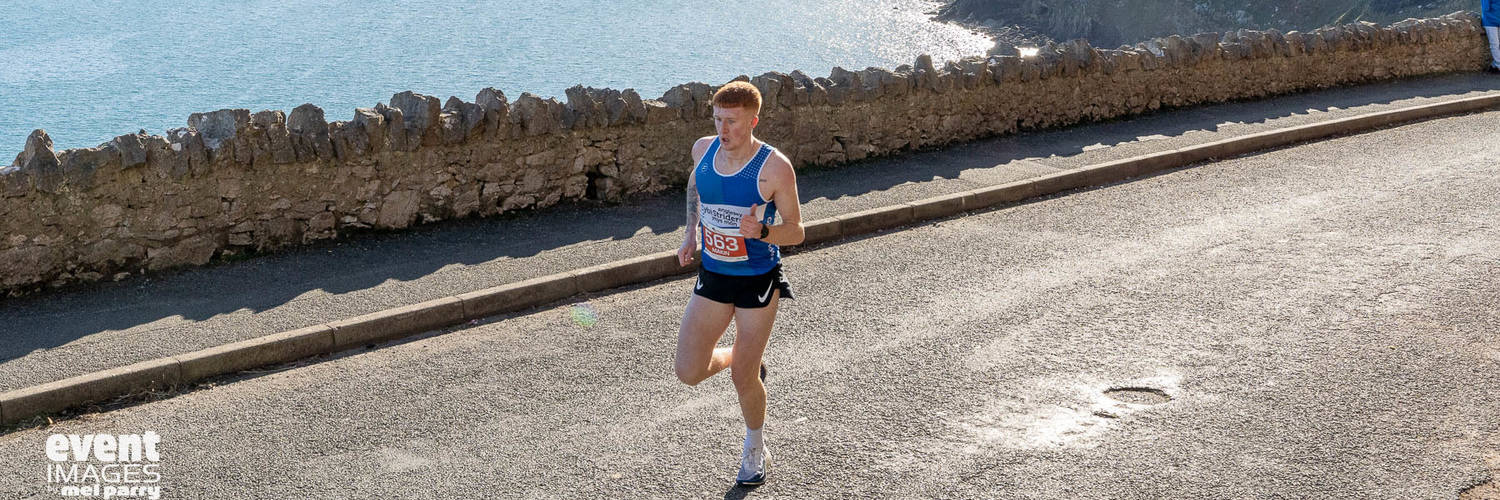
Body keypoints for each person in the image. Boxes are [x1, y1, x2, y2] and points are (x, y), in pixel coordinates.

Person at [673, 80, 804, 487]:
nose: (723, 130)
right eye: (717, 119)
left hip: (756, 282)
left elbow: (797, 231)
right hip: (713, 275)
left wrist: (763, 232)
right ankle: (736, 354)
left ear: (753, 120)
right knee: (688, 371)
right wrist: (691, 230)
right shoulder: (703, 150)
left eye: (732, 121)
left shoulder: (774, 168)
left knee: (743, 379)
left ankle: (754, 445)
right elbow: (696, 186)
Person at [1486, 0, 1500, 73]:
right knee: (1494, 44)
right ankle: (1498, 65)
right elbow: (1486, 8)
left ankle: (1494, 65)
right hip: (1490, 21)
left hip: (1495, 19)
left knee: (1496, 44)